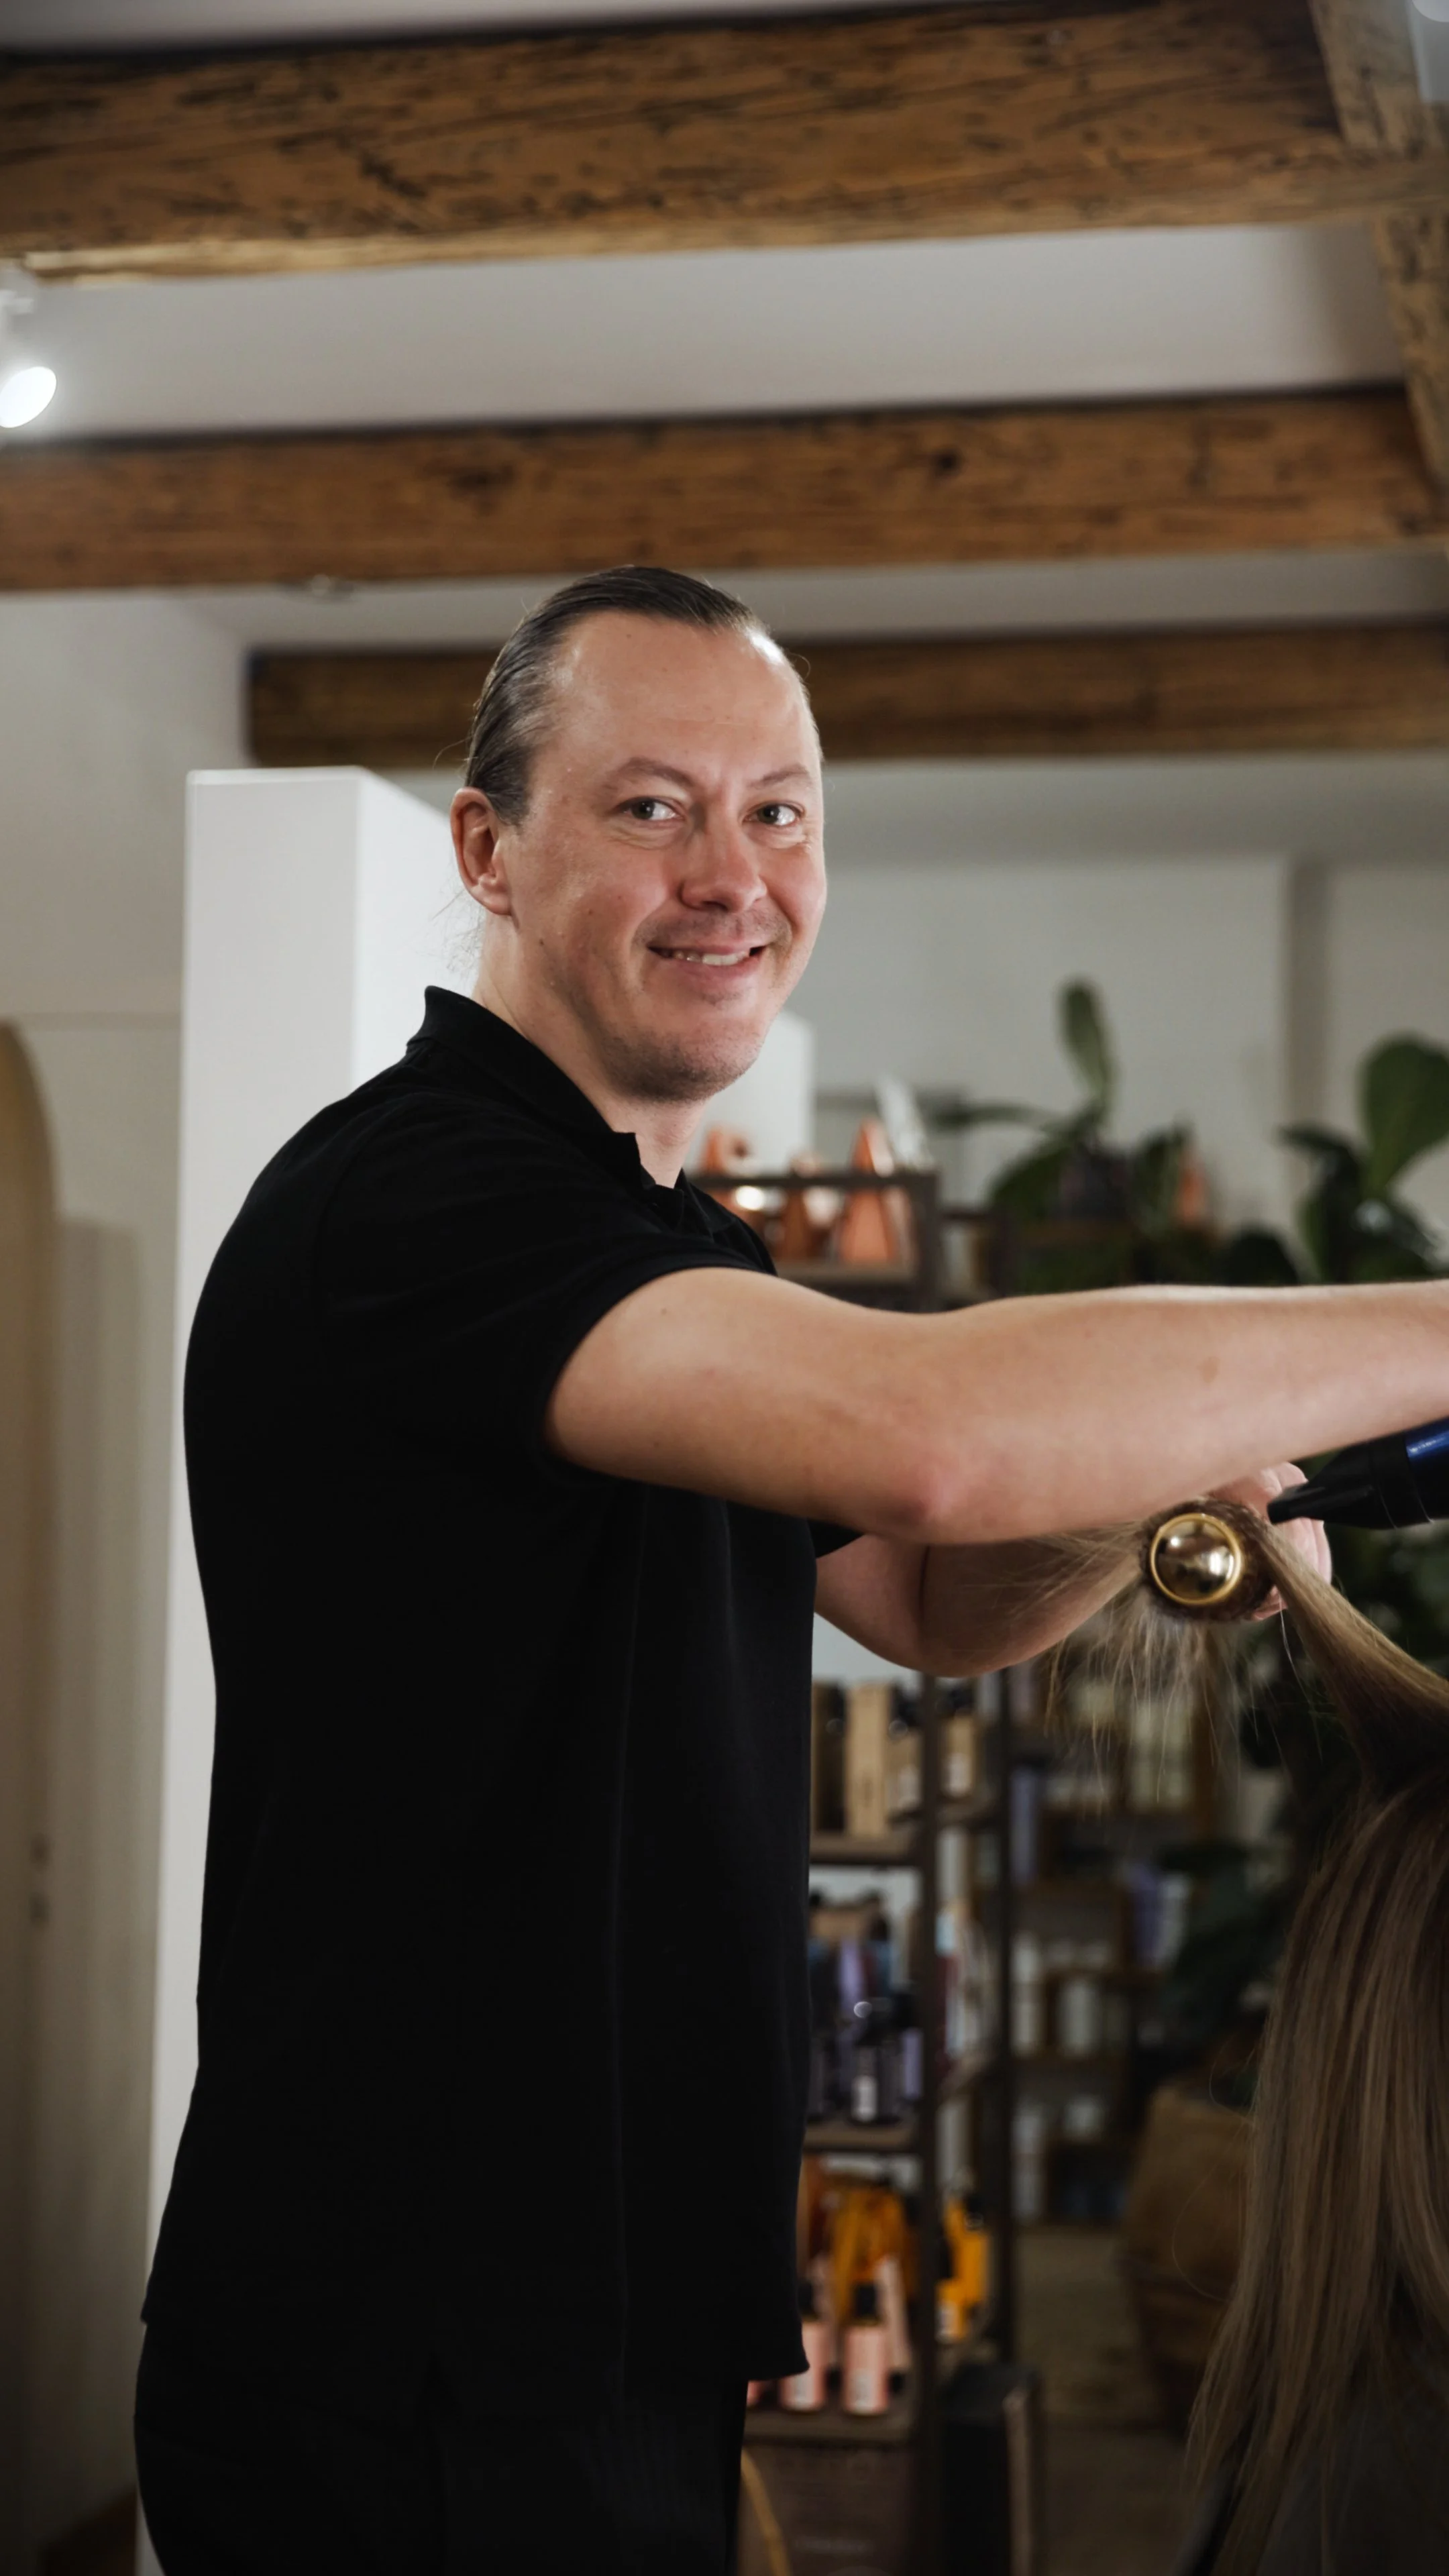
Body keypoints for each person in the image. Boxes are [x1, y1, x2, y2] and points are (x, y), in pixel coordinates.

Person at [134, 565, 1445, 2575]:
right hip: (412, 2348)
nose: (732, 874)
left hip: (611, 2318)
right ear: (489, 848)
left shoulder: (674, 1255)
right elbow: (934, 1437)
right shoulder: (427, 1204)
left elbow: (926, 1595)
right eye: (652, 807)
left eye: (782, 807)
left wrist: (1168, 1490)